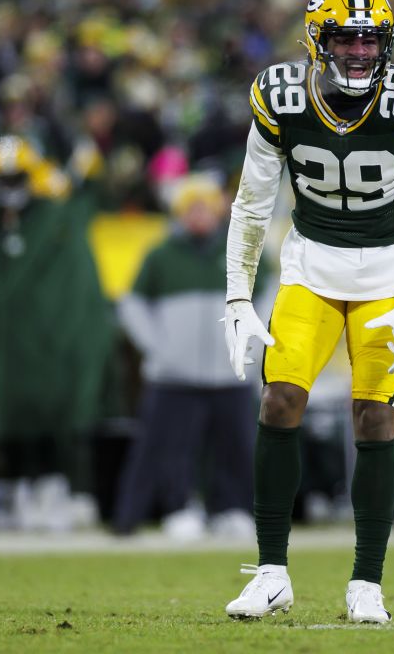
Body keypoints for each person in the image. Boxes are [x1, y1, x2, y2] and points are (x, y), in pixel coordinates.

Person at [220, 0, 394, 623]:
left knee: (374, 414)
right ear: (316, 40)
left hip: (389, 276)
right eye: (346, 39)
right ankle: (271, 572)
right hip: (311, 271)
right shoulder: (280, 96)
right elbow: (250, 205)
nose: (358, 52)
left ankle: (367, 582)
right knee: (279, 398)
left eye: (369, 40)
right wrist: (238, 296)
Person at [0, 135, 111, 531]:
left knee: (49, 412)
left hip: (42, 342)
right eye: (1, 178)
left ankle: (52, 489)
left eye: (16, 177)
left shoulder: (54, 217)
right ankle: (10, 491)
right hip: (1, 344)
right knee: (2, 418)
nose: (9, 187)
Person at [114, 176, 258, 538]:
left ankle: (234, 509)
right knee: (168, 448)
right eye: (190, 208)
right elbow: (131, 304)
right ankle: (177, 507)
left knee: (237, 445)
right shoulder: (160, 255)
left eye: (204, 207)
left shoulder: (239, 249)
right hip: (173, 375)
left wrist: (249, 340)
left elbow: (272, 292)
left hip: (230, 371)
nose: (198, 215)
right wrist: (158, 347)